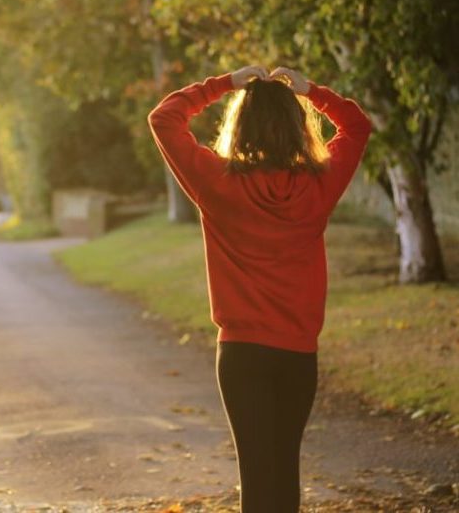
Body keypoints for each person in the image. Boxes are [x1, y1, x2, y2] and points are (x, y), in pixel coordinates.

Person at [147, 65, 373, 512]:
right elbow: (358, 125)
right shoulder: (318, 185)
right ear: (296, 126)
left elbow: (164, 118)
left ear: (241, 125)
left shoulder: (219, 183)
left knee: (257, 476)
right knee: (285, 474)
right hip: (297, 354)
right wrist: (311, 90)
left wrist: (225, 83)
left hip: (242, 354)